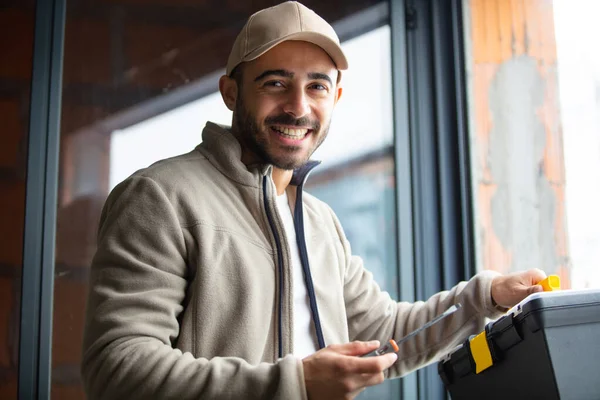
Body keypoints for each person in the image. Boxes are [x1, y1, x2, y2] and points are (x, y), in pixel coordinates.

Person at [81, 2, 547, 399]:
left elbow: (384, 335)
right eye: (275, 83)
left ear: (336, 96)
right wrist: (297, 383)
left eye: (317, 86)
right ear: (230, 92)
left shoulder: (318, 220)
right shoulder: (160, 196)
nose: (298, 106)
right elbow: (118, 366)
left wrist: (484, 296)